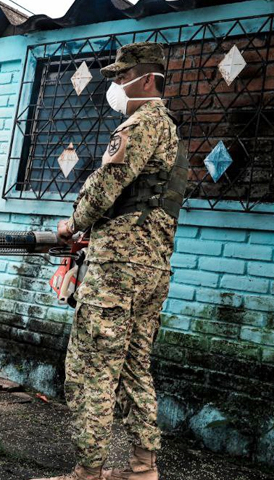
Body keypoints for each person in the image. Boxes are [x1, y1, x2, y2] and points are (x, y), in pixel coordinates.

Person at [38, 42, 189, 480]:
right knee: (133, 366)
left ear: (145, 79)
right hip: (152, 267)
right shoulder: (172, 133)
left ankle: (90, 471)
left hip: (119, 268)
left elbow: (107, 185)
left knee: (91, 368)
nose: (117, 87)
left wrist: (73, 223)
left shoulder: (140, 124)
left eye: (122, 78)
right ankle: (143, 468)